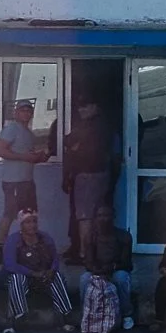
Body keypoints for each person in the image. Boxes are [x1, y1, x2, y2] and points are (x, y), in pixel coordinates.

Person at [0, 208, 73, 332]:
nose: (32, 225)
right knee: (17, 278)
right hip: (20, 278)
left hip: (41, 276)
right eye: (28, 222)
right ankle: (19, 317)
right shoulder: (13, 240)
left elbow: (55, 258)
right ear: (21, 225)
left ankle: (65, 316)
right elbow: (10, 265)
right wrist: (32, 273)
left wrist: (52, 270)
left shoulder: (45, 237)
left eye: (34, 222)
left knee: (57, 276)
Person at [62, 98, 116, 265]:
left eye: (85, 106)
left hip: (87, 176)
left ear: (95, 106)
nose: (81, 110)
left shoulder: (89, 126)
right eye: (79, 107)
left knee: (85, 217)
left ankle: (84, 255)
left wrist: (75, 149)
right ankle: (93, 253)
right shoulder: (105, 126)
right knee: (95, 216)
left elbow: (68, 141)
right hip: (102, 175)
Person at [0, 98, 50, 246]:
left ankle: (26, 247)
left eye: (29, 110)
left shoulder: (29, 134)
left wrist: (41, 156)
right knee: (10, 214)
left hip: (27, 181)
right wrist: (22, 156)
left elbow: (29, 157)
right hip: (13, 181)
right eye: (23, 110)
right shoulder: (12, 129)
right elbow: (0, 150)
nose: (26, 113)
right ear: (16, 113)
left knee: (28, 215)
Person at [80, 202, 136, 332]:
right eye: (99, 215)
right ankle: (86, 314)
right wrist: (97, 271)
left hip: (116, 269)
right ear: (95, 218)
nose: (103, 219)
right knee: (84, 279)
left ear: (113, 216)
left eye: (107, 215)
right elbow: (88, 261)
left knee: (121, 278)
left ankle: (127, 314)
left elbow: (126, 263)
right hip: (97, 270)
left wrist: (109, 270)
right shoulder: (90, 236)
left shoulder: (124, 236)